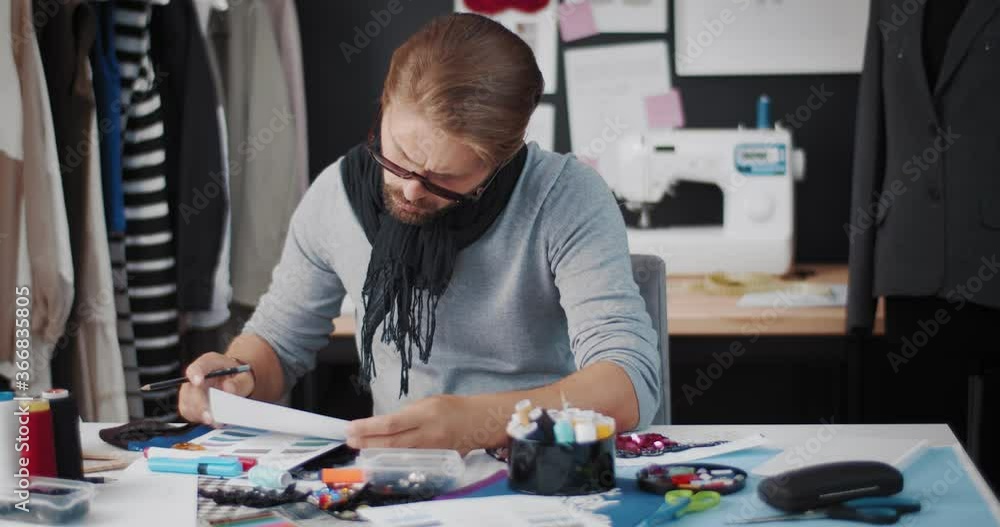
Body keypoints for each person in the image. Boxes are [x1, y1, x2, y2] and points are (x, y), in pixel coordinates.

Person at [177, 13, 661, 454]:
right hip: (401, 478)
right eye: (399, 156)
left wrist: (480, 423)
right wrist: (234, 378)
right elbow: (277, 345)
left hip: (540, 467)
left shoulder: (564, 196)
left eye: (445, 178)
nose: (410, 189)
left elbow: (628, 386)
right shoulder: (336, 196)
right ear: (384, 105)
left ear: (502, 159)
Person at [847, 0, 999, 487]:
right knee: (921, 469)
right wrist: (858, 305)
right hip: (907, 267)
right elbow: (872, 134)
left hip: (989, 266)